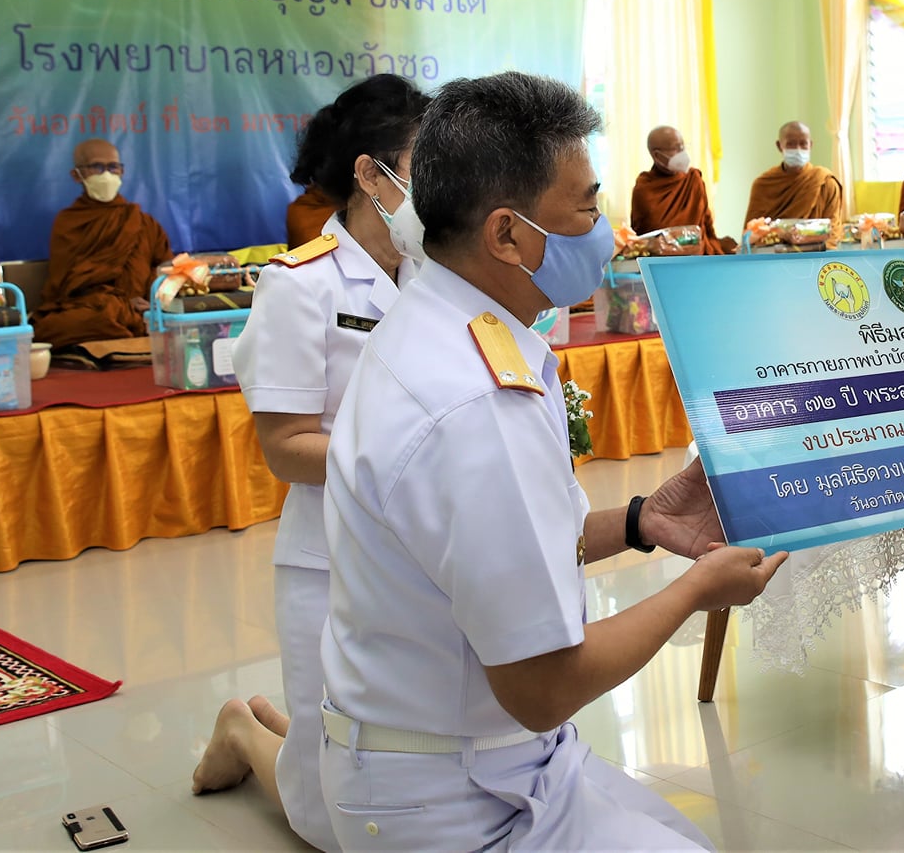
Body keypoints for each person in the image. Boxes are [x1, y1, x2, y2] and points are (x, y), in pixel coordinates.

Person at [314, 71, 786, 851]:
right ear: (507, 235)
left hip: (489, 756)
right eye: (588, 208)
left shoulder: (443, 322)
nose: (605, 230)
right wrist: (698, 589)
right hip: (454, 800)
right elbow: (543, 687)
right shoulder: (475, 404)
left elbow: (504, 550)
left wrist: (641, 520)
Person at [190, 75, 430, 852]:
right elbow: (287, 448)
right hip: (331, 562)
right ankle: (243, 727)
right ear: (371, 175)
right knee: (333, 823)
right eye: (424, 166)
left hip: (427, 550)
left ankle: (286, 730)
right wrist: (413, 458)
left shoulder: (435, 279)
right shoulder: (299, 284)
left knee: (404, 769)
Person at [30, 139, 173, 349]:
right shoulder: (68, 222)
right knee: (55, 325)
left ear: (122, 171)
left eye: (113, 167)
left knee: (171, 316)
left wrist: (153, 300)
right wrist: (122, 303)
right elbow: (67, 287)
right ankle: (127, 328)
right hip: (94, 308)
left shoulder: (143, 222)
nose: (106, 175)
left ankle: (128, 326)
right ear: (77, 175)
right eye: (97, 167)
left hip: (140, 309)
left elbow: (165, 270)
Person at [629, 125, 731, 252]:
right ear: (657, 156)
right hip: (661, 259)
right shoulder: (644, 188)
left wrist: (715, 250)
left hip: (698, 255)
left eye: (683, 147)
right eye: (676, 148)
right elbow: (641, 236)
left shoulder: (693, 179)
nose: (682, 153)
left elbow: (707, 223)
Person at [744, 121, 845, 222]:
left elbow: (833, 227)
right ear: (779, 146)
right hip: (773, 233)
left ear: (810, 145)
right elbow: (752, 228)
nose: (798, 150)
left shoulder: (825, 183)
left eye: (803, 144)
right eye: (791, 144)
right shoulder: (763, 185)